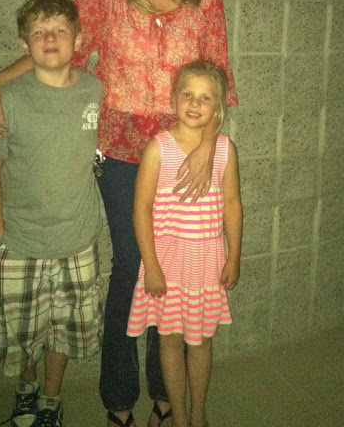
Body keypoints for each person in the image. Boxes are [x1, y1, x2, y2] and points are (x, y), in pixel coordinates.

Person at [0, 0, 237, 427]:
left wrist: (209, 144)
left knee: (172, 269)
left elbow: (219, 80)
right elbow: (62, 50)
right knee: (135, 267)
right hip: (121, 155)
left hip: (184, 157)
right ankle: (119, 396)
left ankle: (166, 394)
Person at [0, 0, 104, 427]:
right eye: (39, 32)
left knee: (63, 329)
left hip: (77, 240)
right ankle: (26, 391)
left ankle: (51, 399)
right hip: (21, 241)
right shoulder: (5, 99)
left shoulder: (94, 90)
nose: (50, 39)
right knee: (22, 331)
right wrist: (0, 237)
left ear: (78, 40)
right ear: (23, 44)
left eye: (60, 30)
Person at [127, 61, 243, 427]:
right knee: (169, 342)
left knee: (202, 342)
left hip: (206, 263)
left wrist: (234, 257)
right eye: (188, 94)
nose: (195, 103)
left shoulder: (224, 149)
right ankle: (177, 414)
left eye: (206, 98)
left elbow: (232, 204)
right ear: (174, 98)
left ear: (218, 106)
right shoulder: (158, 148)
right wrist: (152, 266)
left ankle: (197, 413)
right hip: (168, 265)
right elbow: (141, 210)